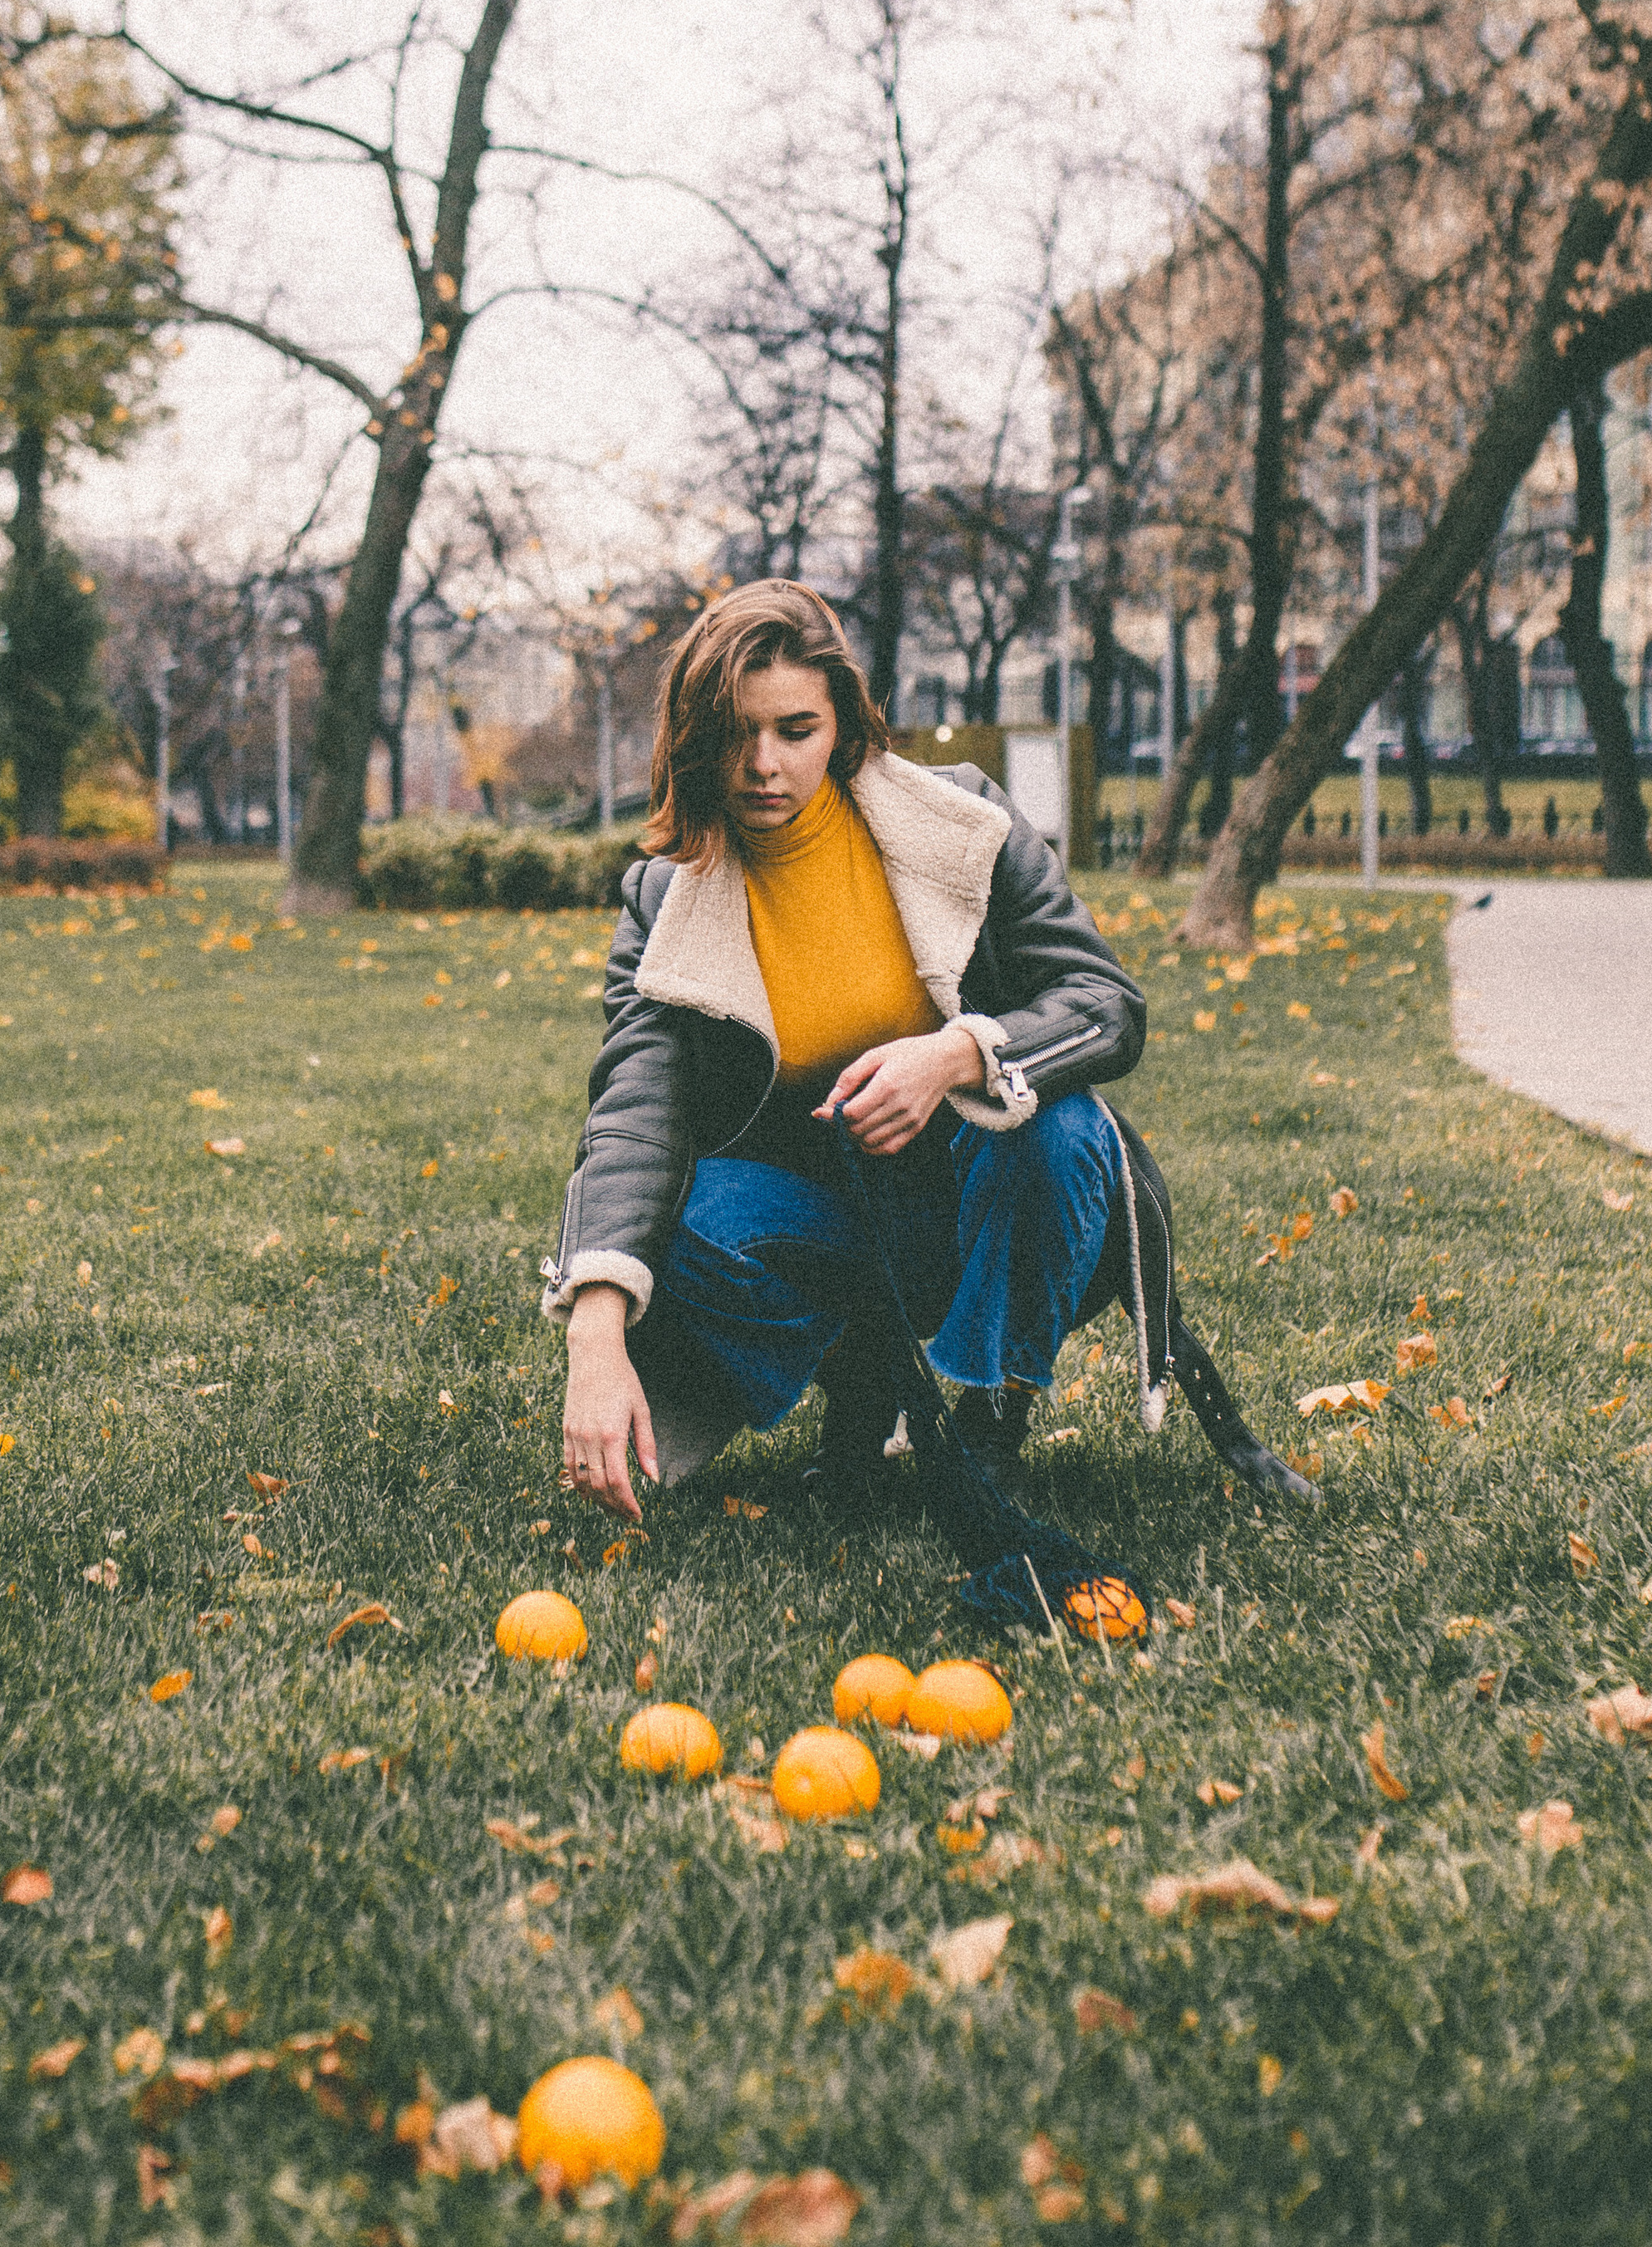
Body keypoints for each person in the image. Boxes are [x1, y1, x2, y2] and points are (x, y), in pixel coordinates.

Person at [543, 579, 1311, 1533]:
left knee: (1057, 1126)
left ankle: (986, 1415)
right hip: (832, 1221)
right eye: (733, 732)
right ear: (691, 736)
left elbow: (1106, 1006)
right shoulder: (667, 899)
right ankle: (863, 1386)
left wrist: (956, 1055)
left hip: (996, 1202)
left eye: (794, 729)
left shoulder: (961, 824)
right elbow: (634, 1117)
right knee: (685, 1223)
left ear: (843, 723)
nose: (762, 765)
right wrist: (594, 1322)